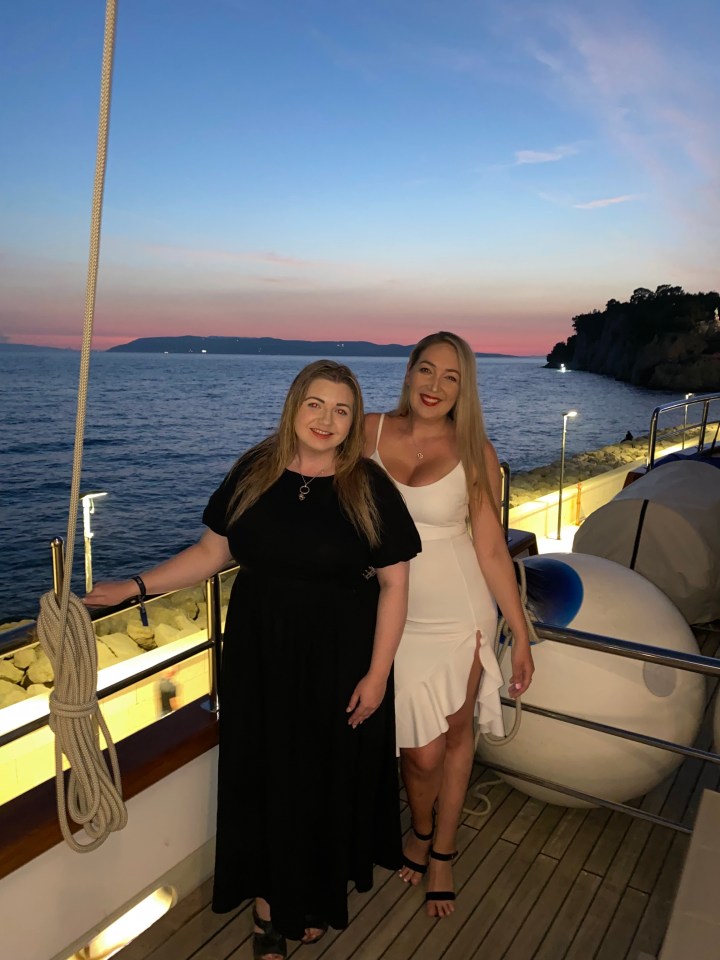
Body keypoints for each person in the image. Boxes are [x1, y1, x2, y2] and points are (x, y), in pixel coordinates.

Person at [85, 360, 421, 960]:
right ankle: (270, 905)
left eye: (342, 410)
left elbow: (395, 585)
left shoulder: (367, 486)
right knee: (264, 773)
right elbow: (212, 552)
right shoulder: (254, 470)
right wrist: (136, 587)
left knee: (319, 776)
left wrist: (376, 675)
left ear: (354, 420)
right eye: (316, 404)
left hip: (337, 659)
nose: (327, 419)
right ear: (294, 405)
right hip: (259, 653)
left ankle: (312, 893)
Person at [364, 332, 534, 918]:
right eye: (427, 370)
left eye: (451, 377)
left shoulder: (474, 450)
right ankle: (420, 822)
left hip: (461, 613)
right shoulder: (368, 430)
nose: (436, 386)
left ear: (464, 389)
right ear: (409, 371)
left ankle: (441, 847)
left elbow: (490, 549)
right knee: (419, 753)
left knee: (455, 737)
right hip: (392, 614)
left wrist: (521, 637)